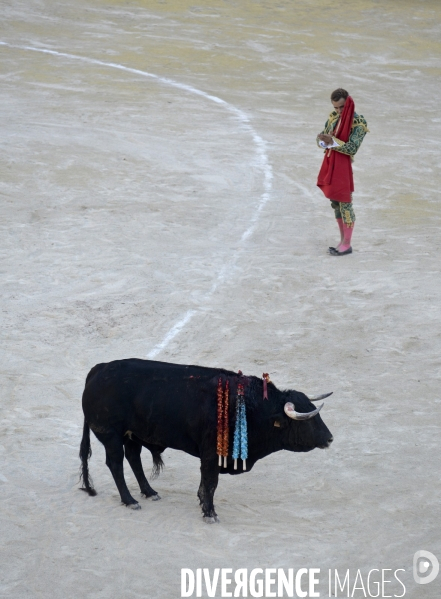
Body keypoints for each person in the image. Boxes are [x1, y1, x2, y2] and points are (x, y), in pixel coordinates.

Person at [316, 88, 368, 255]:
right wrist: (323, 141)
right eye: (336, 108)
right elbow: (321, 139)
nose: (338, 111)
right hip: (331, 162)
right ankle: (342, 241)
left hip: (344, 166)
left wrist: (332, 142)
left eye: (342, 107)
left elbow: (353, 147)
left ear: (349, 103)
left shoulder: (359, 122)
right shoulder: (333, 117)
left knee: (345, 204)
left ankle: (347, 244)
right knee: (335, 202)